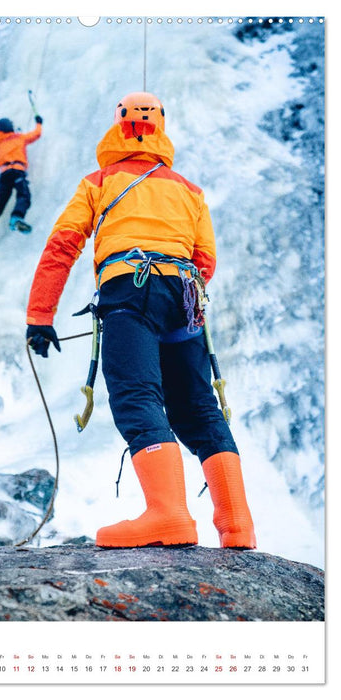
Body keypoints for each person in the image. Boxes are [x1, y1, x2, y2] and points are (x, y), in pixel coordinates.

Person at [25, 92, 256, 550]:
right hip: (184, 294)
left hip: (129, 289)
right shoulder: (189, 190)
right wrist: (179, 293)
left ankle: (168, 516)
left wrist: (40, 316)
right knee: (196, 406)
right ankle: (237, 527)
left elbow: (63, 246)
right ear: (160, 130)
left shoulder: (99, 181)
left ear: (119, 126)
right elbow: (205, 259)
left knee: (136, 394)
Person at [0, 115, 43, 248]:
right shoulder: (18, 137)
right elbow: (36, 134)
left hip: (4, 175)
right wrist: (39, 123)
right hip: (17, 171)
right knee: (24, 195)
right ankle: (16, 218)